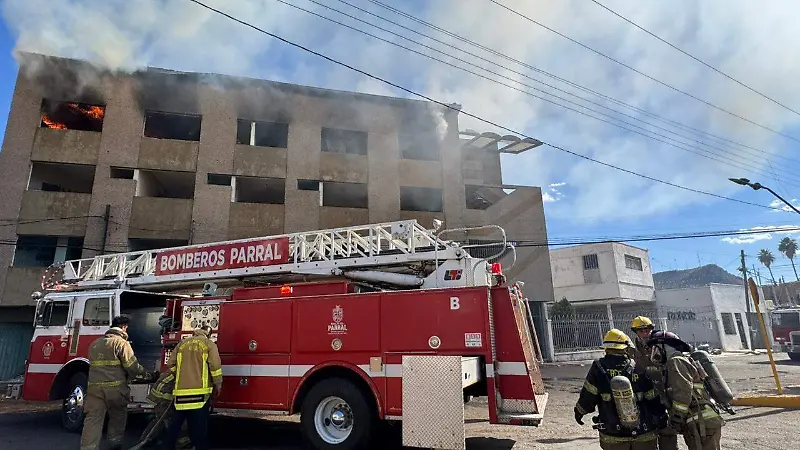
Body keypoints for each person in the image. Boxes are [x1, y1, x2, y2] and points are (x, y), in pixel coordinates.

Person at [574, 329, 666, 450]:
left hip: (613, 435)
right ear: (625, 348)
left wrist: (579, 412)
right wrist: (661, 417)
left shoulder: (598, 368)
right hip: (644, 433)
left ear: (606, 348)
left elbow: (588, 396)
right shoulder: (638, 366)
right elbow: (652, 397)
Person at [80, 315, 154, 450]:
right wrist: (147, 374)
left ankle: (88, 447)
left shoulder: (95, 344)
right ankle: (114, 445)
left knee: (93, 420)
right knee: (117, 418)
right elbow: (132, 366)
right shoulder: (121, 343)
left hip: (94, 389)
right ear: (124, 327)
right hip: (115, 390)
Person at [647, 331, 725, 450]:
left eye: (655, 348)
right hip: (698, 421)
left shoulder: (676, 361)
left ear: (664, 347)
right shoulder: (676, 361)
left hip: (701, 421)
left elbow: (683, 392)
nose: (655, 353)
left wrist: (677, 417)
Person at [162, 325, 222, 450]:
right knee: (199, 430)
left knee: (175, 428)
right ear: (208, 334)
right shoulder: (209, 344)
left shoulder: (182, 344)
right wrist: (218, 384)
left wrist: (180, 374)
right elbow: (215, 367)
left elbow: (171, 364)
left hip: (180, 396)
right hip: (200, 396)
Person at [631, 317, 678, 450]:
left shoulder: (661, 343)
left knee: (667, 429)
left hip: (666, 389)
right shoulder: (636, 348)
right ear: (636, 332)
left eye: (647, 329)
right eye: (641, 330)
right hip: (647, 393)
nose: (645, 332)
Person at [139, 370, 193, 449]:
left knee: (160, 420)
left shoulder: (174, 370)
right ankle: (182, 443)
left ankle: (146, 440)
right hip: (163, 400)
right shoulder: (183, 374)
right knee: (172, 420)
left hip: (158, 398)